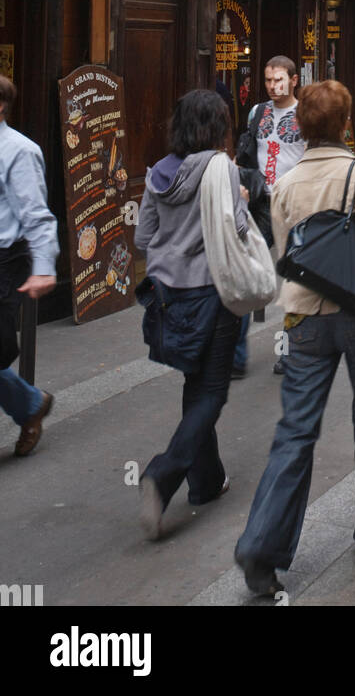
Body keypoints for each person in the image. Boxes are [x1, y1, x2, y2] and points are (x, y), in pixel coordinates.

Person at [234, 81, 355, 596]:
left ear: (301, 126)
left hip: (303, 318)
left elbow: (284, 253)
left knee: (295, 429)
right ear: (346, 125)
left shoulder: (288, 182)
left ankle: (261, 545)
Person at [135, 90, 245, 540]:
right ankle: (163, 475)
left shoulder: (158, 172)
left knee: (195, 382)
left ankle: (205, 481)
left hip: (168, 296)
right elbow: (237, 229)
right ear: (217, 127)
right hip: (212, 293)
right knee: (213, 392)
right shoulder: (222, 169)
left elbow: (144, 237)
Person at [235, 56, 305, 378]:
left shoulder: (305, 115)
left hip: (294, 205)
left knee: (294, 281)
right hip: (261, 205)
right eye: (268, 80)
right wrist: (241, 184)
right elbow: (245, 152)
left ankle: (290, 352)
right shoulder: (257, 112)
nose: (274, 86)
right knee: (245, 272)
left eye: (279, 80)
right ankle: (234, 355)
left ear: (294, 80)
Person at [0, 76, 58, 457]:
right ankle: (30, 404)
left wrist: (44, 265)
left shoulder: (19, 151)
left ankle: (29, 404)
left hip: (5, 260)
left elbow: (37, 216)